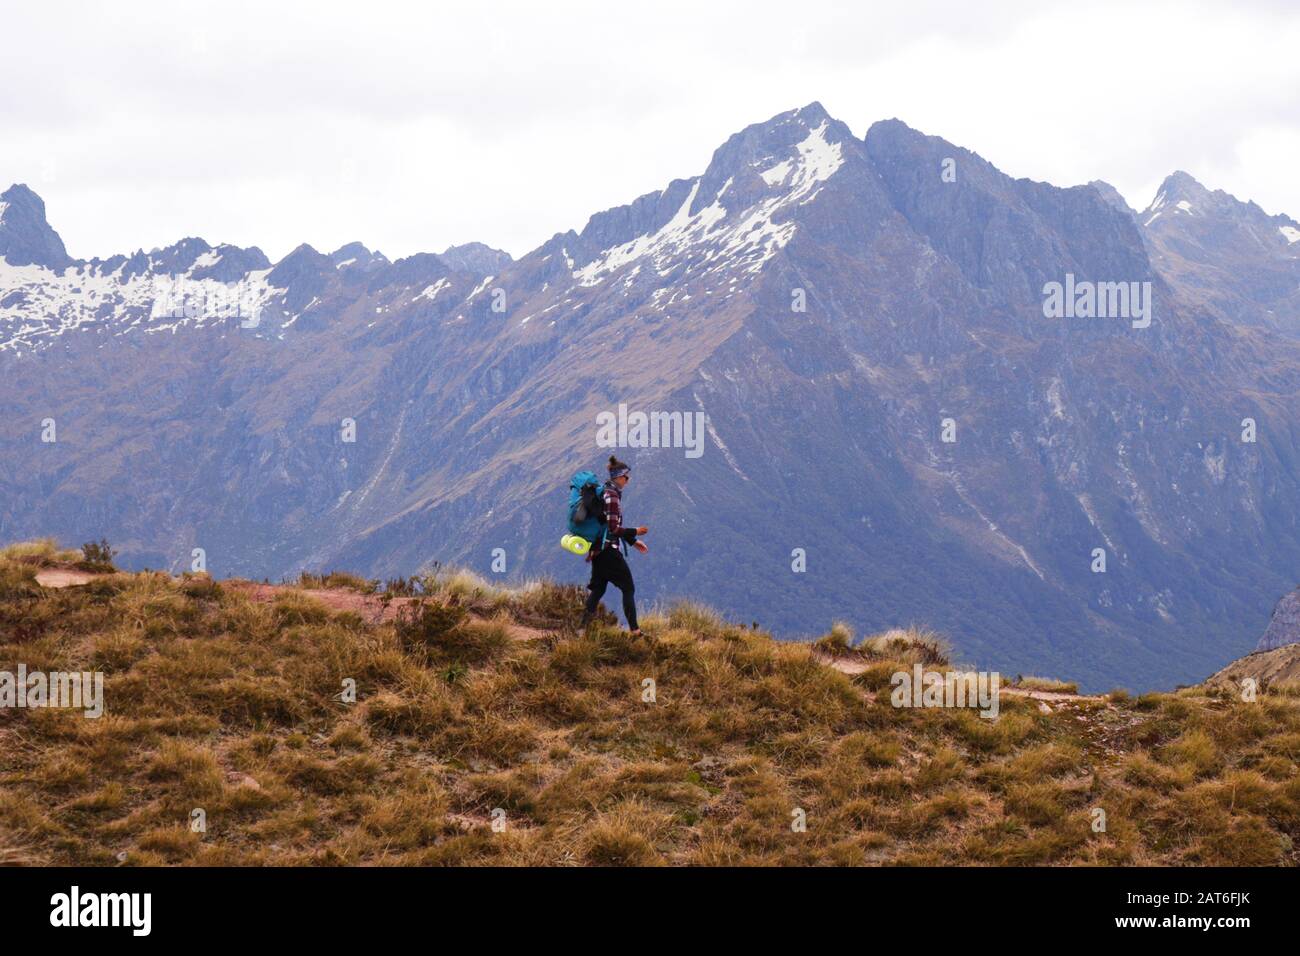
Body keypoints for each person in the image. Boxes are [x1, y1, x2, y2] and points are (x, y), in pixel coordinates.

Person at [581, 455, 648, 634]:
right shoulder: (612, 496)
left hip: (597, 550)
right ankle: (635, 631)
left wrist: (633, 542)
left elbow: (607, 526)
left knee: (598, 590)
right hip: (609, 550)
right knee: (628, 587)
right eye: (626, 477)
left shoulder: (606, 493)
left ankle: (581, 630)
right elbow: (613, 528)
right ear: (618, 477)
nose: (628, 480)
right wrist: (635, 532)